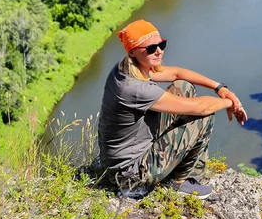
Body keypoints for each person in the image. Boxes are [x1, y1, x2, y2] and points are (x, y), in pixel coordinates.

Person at [97, 19, 247, 199]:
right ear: (132, 51)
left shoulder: (128, 67)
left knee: (183, 87)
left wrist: (220, 88)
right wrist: (232, 103)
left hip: (129, 152)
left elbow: (177, 74)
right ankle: (180, 182)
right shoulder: (134, 88)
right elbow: (201, 108)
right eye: (151, 48)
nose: (159, 50)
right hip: (130, 173)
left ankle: (179, 170)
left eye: (162, 44)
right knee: (204, 117)